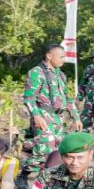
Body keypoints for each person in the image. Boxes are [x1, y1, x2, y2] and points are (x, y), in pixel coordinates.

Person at [22, 43, 81, 181]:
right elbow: (29, 98)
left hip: (58, 117)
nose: (63, 60)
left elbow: (67, 98)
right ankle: (23, 175)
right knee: (45, 148)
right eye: (60, 56)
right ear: (49, 56)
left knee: (58, 149)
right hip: (43, 115)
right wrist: (36, 116)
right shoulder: (37, 72)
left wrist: (76, 117)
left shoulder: (60, 75)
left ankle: (49, 179)